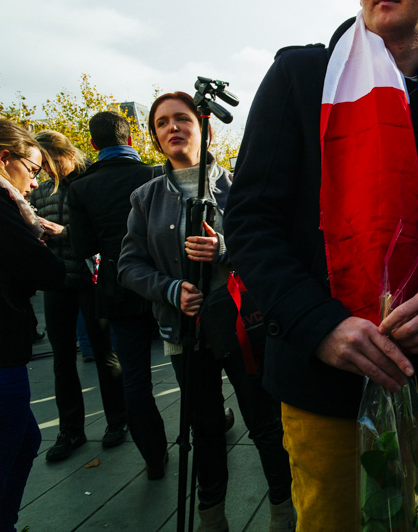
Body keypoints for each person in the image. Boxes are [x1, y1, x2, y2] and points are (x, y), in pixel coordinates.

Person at [223, 2, 418, 530]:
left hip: (415, 373)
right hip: (321, 381)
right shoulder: (300, 73)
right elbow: (249, 222)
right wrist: (319, 325)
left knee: (402, 516)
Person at [118, 92, 294, 531]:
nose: (172, 128)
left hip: (244, 327)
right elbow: (128, 266)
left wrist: (226, 250)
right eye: (162, 123)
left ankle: (284, 509)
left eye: (182, 118)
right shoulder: (144, 197)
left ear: (204, 127)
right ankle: (212, 517)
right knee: (205, 429)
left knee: (266, 423)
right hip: (185, 333)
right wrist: (171, 290)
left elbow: (274, 246)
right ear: (155, 136)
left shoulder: (238, 186)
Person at [66, 111, 169, 480]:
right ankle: (211, 423)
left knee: (135, 380)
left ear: (93, 144)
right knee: (190, 364)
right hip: (165, 282)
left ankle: (153, 456)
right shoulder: (156, 174)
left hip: (118, 288)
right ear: (131, 139)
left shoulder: (80, 188)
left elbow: (83, 247)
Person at [31, 130, 127, 462]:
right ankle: (71, 430)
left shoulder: (89, 184)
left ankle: (118, 419)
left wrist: (63, 232)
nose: (48, 169)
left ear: (69, 154)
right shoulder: (40, 191)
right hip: (57, 279)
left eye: (52, 161)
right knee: (62, 359)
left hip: (90, 277)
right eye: (43, 165)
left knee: (104, 352)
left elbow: (103, 232)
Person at [0, 119, 66, 531]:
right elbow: (45, 270)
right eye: (33, 169)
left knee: (25, 442)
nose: (36, 183)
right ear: (5, 158)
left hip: (6, 351)